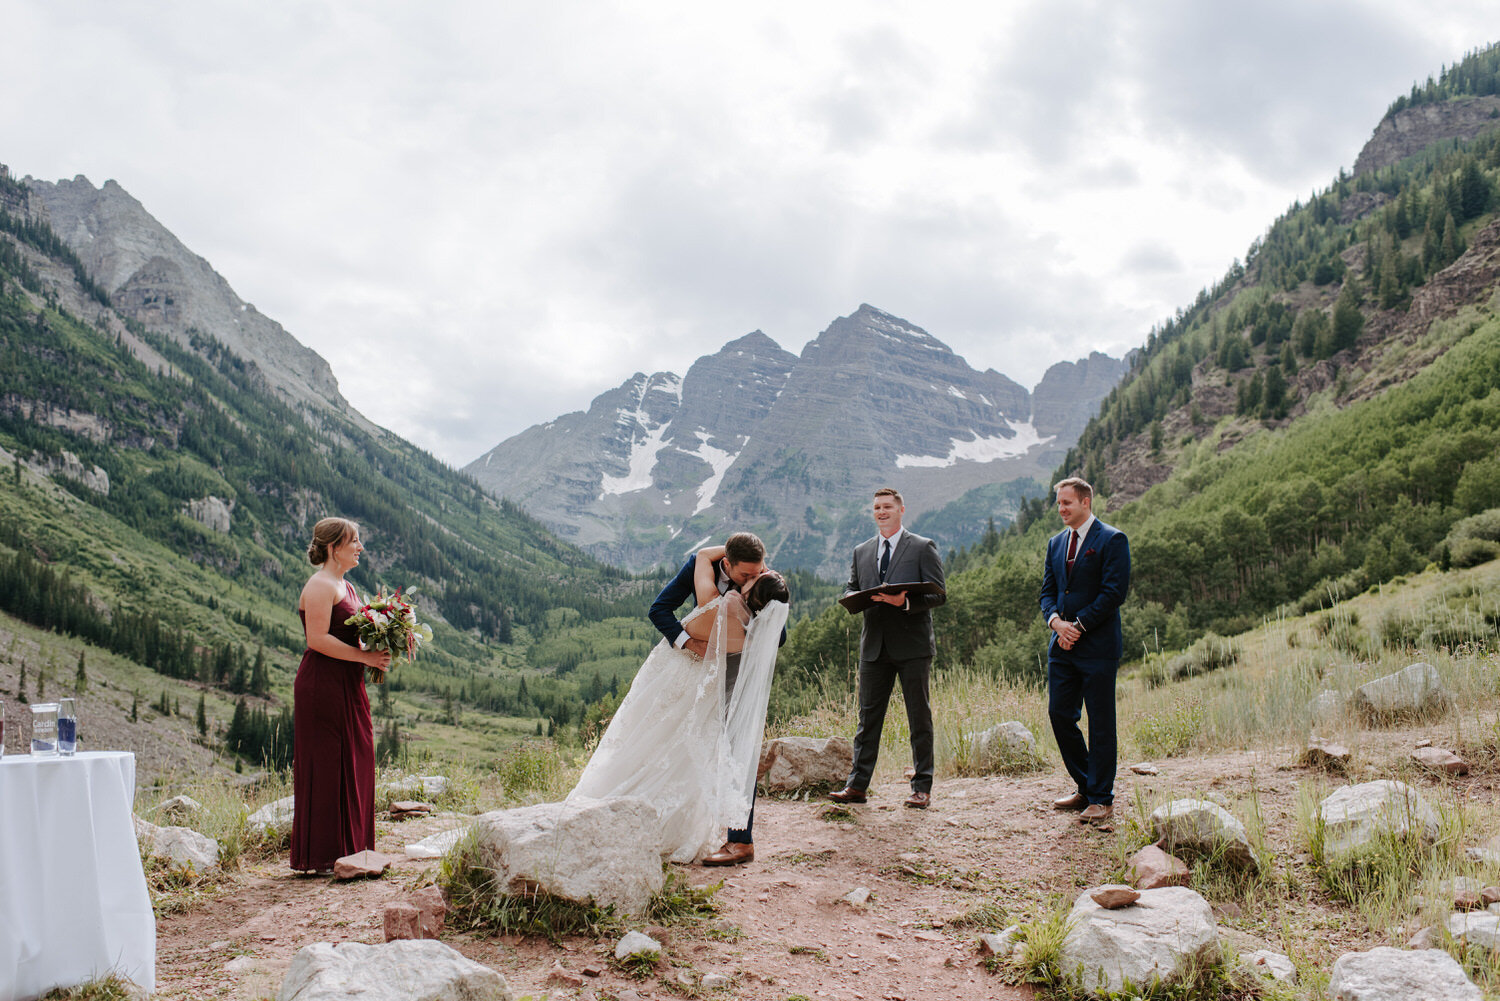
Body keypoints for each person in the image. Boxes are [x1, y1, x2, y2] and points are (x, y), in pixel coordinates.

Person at [570, 537, 789, 865]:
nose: (755, 577)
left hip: (731, 673)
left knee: (733, 748)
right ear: (727, 565)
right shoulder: (705, 570)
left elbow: (779, 637)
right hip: (682, 668)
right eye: (747, 574)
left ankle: (740, 840)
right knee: (657, 741)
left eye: (759, 571)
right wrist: (690, 643)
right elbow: (659, 609)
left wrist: (753, 616)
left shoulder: (760, 583)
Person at [830, 488, 946, 809]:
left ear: (901, 510)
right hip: (874, 647)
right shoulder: (861, 551)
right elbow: (853, 586)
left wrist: (905, 601)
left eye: (887, 507)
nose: (881, 512)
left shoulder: (923, 547)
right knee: (867, 718)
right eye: (877, 508)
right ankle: (857, 786)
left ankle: (921, 787)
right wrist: (851, 596)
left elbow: (939, 595)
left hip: (913, 646)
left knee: (918, 717)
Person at [290, 517, 391, 874]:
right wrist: (365, 657)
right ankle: (323, 855)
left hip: (348, 683)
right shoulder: (320, 585)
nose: (360, 547)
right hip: (323, 685)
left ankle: (352, 847)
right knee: (330, 762)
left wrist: (381, 644)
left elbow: (350, 636)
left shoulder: (345, 586)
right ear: (334, 548)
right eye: (355, 541)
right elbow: (317, 639)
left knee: (357, 754)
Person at [1039, 476, 1131, 824]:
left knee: (1102, 722)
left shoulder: (1112, 539)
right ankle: (1085, 786)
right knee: (1060, 715)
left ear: (1085, 503)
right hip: (1061, 646)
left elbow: (1114, 593)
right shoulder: (1055, 543)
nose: (1061, 509)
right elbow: (1047, 591)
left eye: (1067, 503)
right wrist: (1056, 623)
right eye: (1058, 503)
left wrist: (1078, 626)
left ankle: (1102, 799)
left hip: (1097, 646)